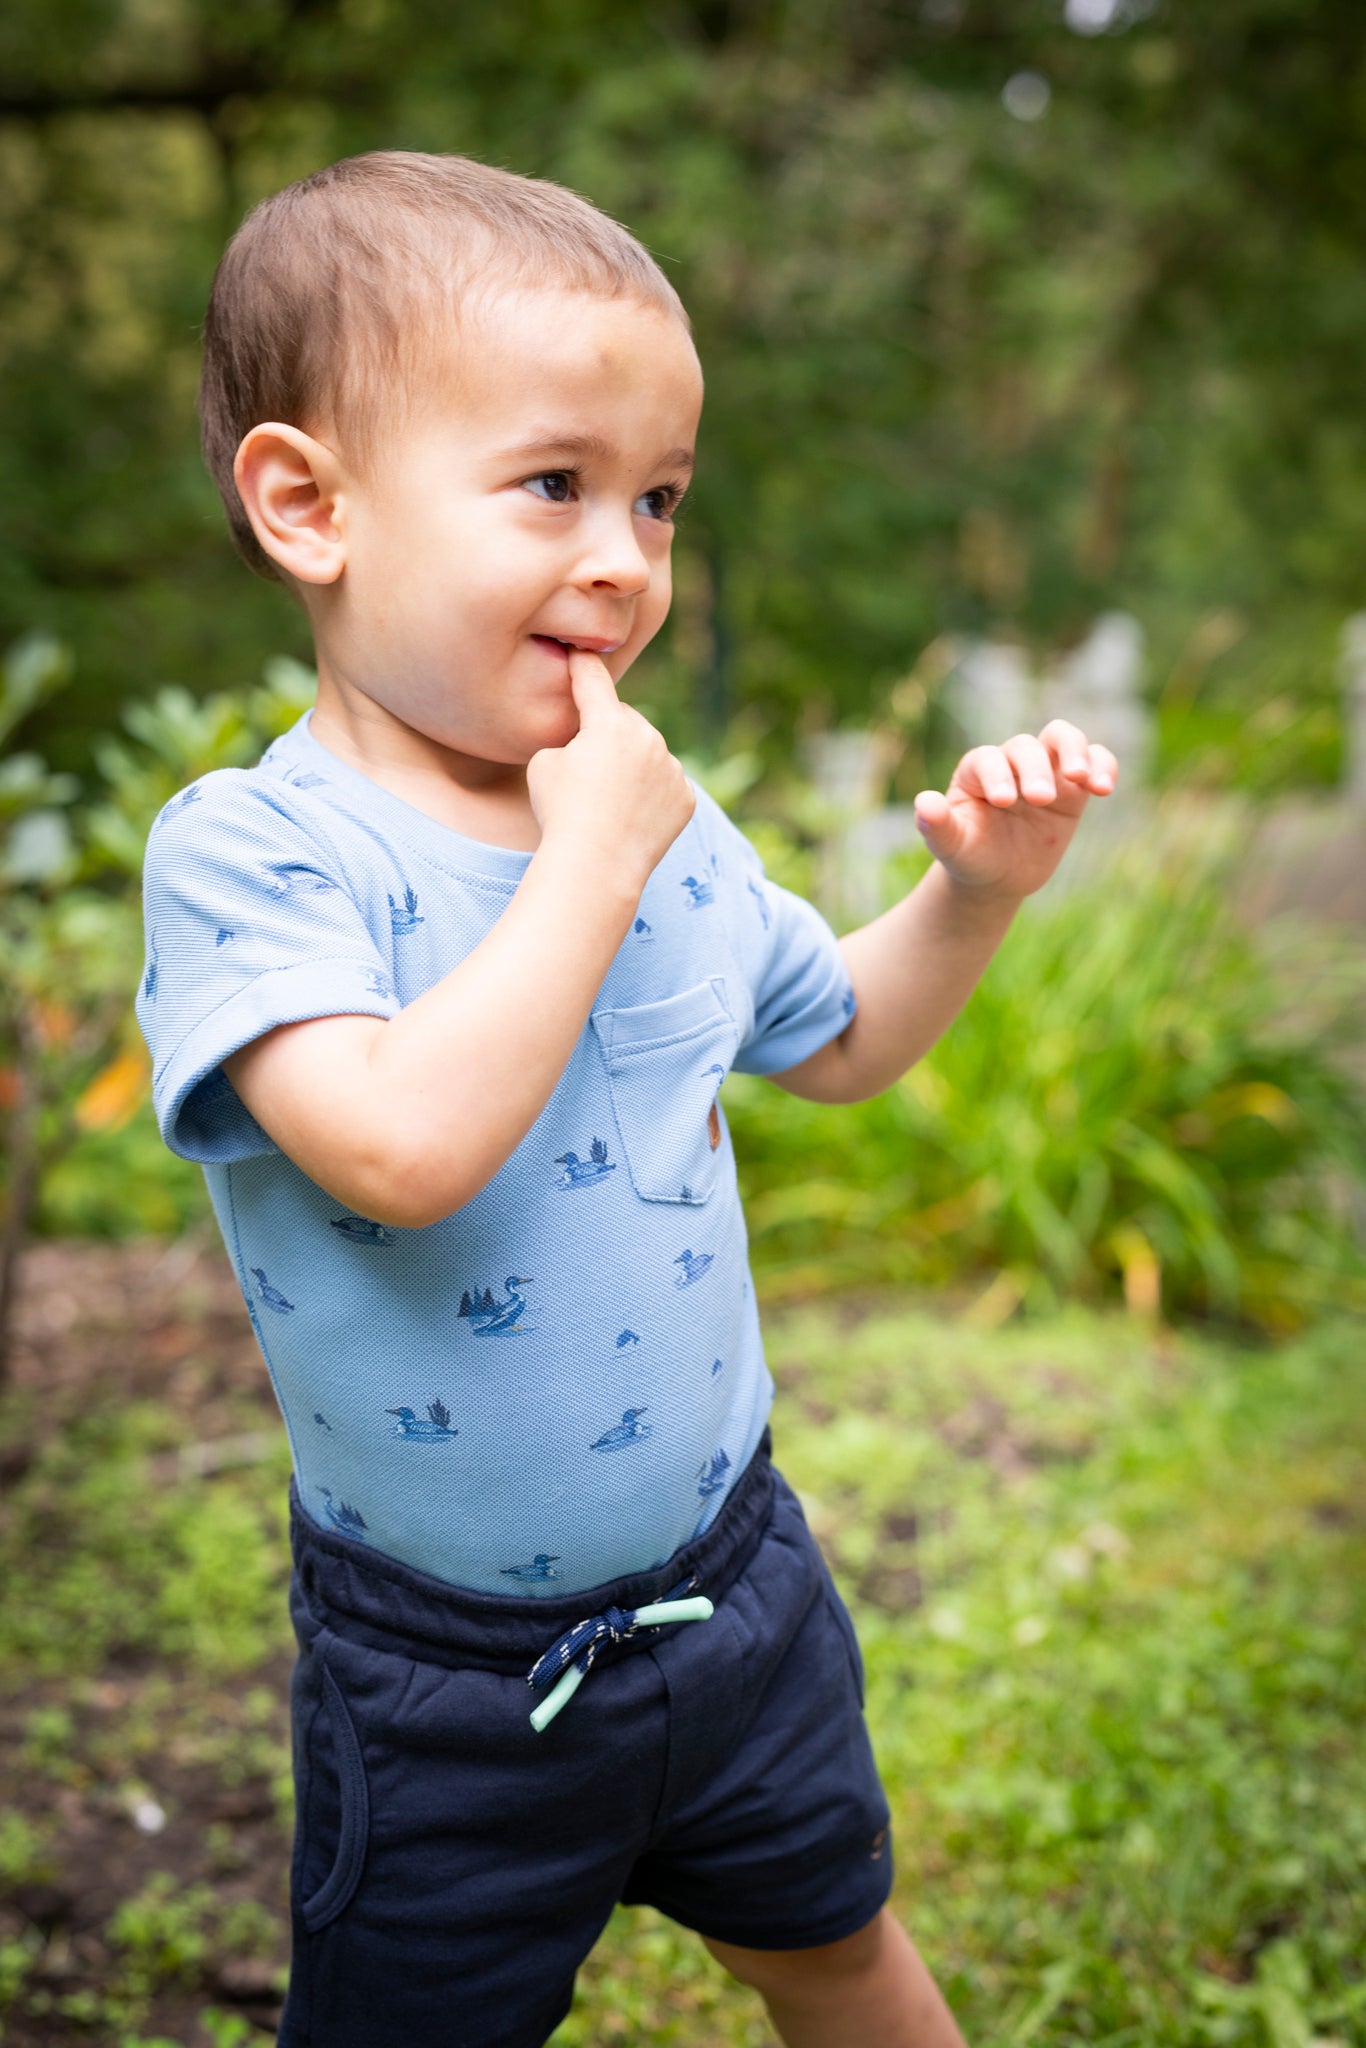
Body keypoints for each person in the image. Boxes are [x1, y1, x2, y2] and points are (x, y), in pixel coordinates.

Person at [137, 151, 1116, 2048]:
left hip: (733, 1591)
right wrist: (589, 865)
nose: (626, 559)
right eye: (553, 485)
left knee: (838, 1946)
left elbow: (835, 1037)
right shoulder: (259, 854)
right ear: (306, 505)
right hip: (445, 1689)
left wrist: (974, 891)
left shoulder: (642, 816)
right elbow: (397, 1150)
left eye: (657, 500)